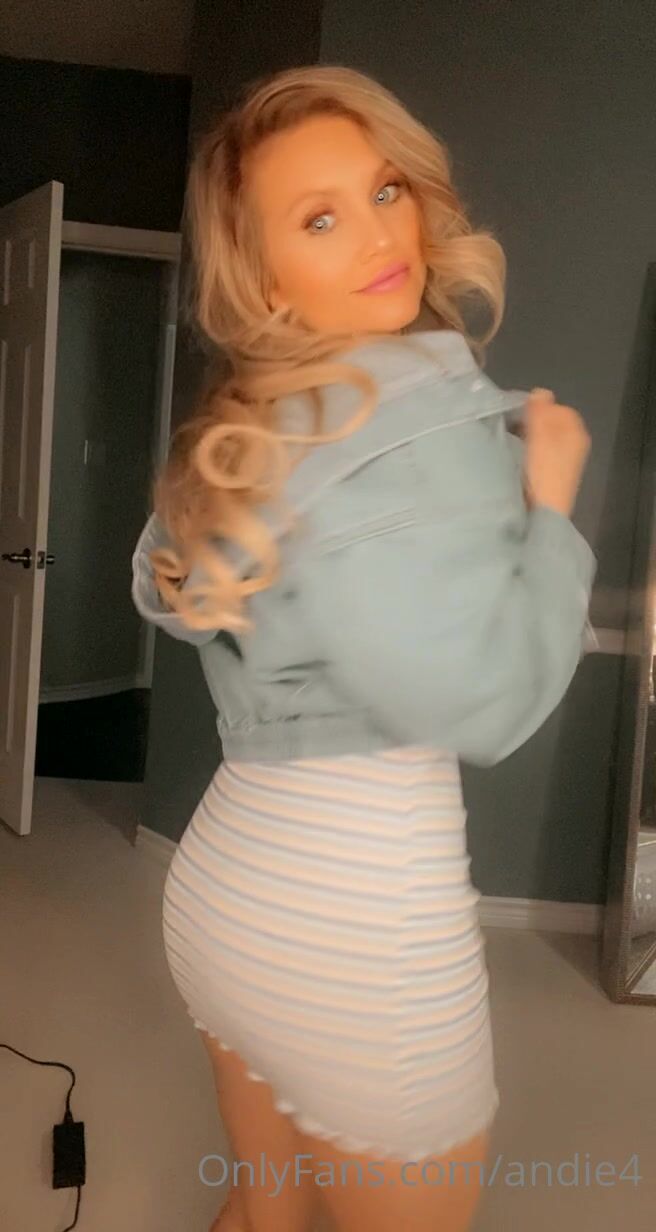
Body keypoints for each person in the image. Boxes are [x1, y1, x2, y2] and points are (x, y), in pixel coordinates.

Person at [131, 65, 595, 1232]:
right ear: (262, 275)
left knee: (266, 1208)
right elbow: (490, 701)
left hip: (223, 896)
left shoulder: (249, 428)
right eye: (318, 218)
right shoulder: (411, 423)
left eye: (383, 190)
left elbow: (163, 586)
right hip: (355, 927)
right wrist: (550, 509)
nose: (380, 233)